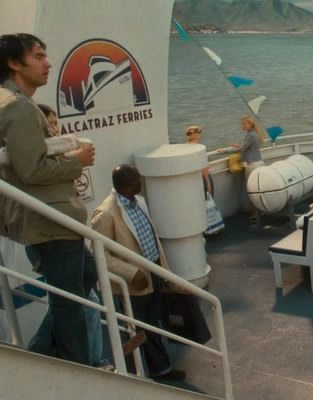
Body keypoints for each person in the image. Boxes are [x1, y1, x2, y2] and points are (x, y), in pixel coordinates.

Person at [0, 33, 97, 365]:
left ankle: (43, 349)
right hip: (50, 220)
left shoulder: (12, 103)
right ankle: (78, 368)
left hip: (46, 218)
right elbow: (32, 169)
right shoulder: (17, 106)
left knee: (85, 277)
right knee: (70, 303)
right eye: (39, 56)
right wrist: (77, 161)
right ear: (14, 63)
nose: (48, 64)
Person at [91, 164, 186, 381]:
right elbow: (99, 254)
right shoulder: (106, 213)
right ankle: (132, 377)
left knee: (153, 324)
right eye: (136, 180)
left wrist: (165, 272)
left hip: (154, 273)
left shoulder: (139, 202)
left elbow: (152, 239)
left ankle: (160, 369)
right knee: (132, 331)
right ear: (126, 185)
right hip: (134, 283)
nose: (140, 182)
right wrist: (132, 273)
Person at [218, 115, 265, 220]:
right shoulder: (253, 133)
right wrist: (238, 146)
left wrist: (224, 150)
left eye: (244, 123)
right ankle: (259, 213)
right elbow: (246, 147)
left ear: (250, 124)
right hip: (257, 163)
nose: (242, 126)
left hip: (252, 165)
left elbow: (240, 149)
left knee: (252, 191)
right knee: (257, 190)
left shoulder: (251, 135)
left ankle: (255, 215)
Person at [185, 125, 214, 197]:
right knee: (207, 198)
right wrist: (208, 183)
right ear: (197, 135)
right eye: (199, 133)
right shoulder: (200, 148)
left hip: (193, 179)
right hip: (202, 178)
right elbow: (204, 168)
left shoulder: (185, 147)